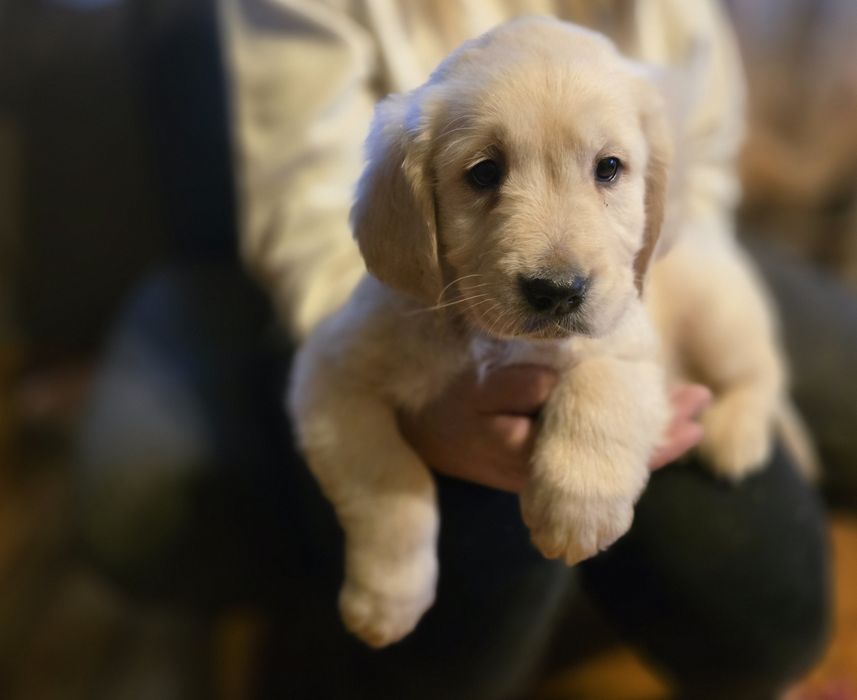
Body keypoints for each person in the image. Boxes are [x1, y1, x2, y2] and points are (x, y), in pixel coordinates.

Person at [76, 1, 834, 698]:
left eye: (607, 167)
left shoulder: (648, 135)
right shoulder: (403, 175)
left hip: (669, 275)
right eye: (484, 173)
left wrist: (622, 422)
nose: (554, 258)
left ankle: (756, 393)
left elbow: (688, 187)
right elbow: (310, 227)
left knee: (776, 608)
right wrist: (410, 475)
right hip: (341, 271)